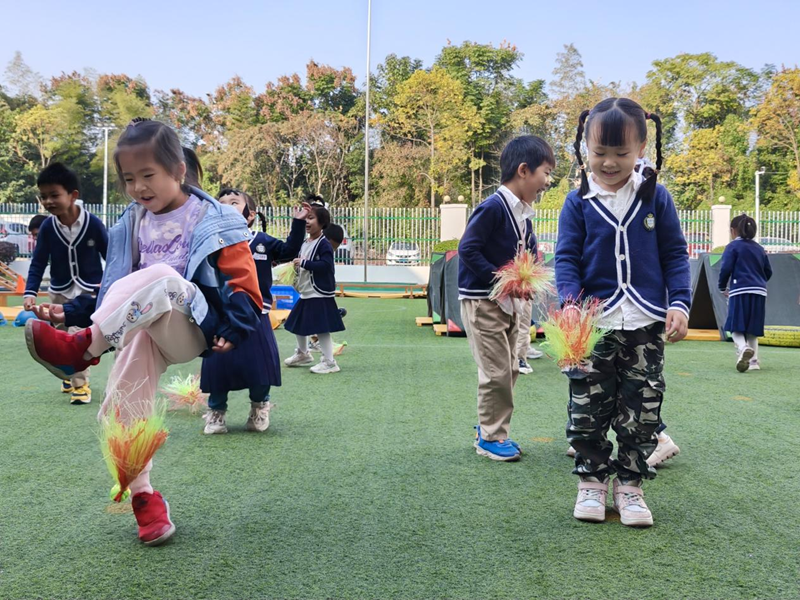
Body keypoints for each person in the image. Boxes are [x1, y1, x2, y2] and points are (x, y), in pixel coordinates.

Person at [24, 118, 262, 546]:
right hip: (140, 324)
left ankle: (83, 349)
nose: (138, 188)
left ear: (178, 171)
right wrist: (70, 312)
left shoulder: (213, 217)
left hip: (189, 323)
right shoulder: (130, 224)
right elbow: (114, 286)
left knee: (164, 276)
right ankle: (145, 499)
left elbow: (244, 283)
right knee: (123, 398)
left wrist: (237, 324)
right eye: (129, 179)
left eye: (148, 175)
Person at [556, 98, 690, 526]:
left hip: (646, 324)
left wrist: (680, 302)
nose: (609, 163)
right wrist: (572, 306)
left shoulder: (657, 198)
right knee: (588, 409)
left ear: (642, 148)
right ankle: (591, 484)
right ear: (584, 148)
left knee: (643, 407)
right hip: (591, 327)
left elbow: (674, 254)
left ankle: (631, 487)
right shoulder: (577, 202)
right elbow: (566, 259)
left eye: (621, 154)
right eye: (599, 154)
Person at [458, 135, 555, 461]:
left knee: (510, 366)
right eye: (546, 172)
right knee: (497, 370)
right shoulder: (492, 208)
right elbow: (467, 249)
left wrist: (529, 278)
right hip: (484, 300)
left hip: (509, 302)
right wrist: (502, 281)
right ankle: (491, 437)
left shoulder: (523, 214)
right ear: (524, 170)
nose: (548, 181)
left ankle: (487, 424)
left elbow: (528, 255)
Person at [201, 189, 309, 434]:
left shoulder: (262, 241)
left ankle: (259, 407)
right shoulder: (209, 242)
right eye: (221, 204)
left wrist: (298, 222)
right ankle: (216, 412)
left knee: (260, 367)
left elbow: (290, 251)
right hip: (220, 316)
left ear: (250, 215)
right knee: (218, 366)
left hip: (257, 315)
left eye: (234, 202)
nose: (227, 206)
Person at [23, 163, 108, 404]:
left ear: (73, 196)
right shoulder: (48, 227)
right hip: (59, 292)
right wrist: (30, 291)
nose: (48, 201)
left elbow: (111, 255)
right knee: (58, 337)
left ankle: (80, 385)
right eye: (43, 196)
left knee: (76, 335)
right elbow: (38, 262)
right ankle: (68, 372)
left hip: (88, 291)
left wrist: (109, 283)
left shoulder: (93, 224)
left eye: (54, 195)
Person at [283, 205, 345, 374]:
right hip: (307, 292)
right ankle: (303, 353)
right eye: (306, 218)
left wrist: (304, 263)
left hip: (319, 293)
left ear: (322, 223)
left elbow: (325, 266)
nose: (307, 221)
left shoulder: (323, 244)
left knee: (321, 328)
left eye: (311, 218)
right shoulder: (305, 243)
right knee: (297, 322)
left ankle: (330, 362)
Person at [718, 214, 772, 372]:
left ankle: (742, 348)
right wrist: (759, 281)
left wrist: (722, 287)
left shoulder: (733, 247)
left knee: (735, 326)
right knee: (752, 329)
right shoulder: (760, 248)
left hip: (740, 289)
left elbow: (726, 268)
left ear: (733, 231)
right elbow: (768, 271)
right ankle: (754, 362)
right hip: (760, 291)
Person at [516, 230, 540, 375]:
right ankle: (512, 358)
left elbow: (534, 256)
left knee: (524, 321)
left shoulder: (528, 228)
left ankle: (520, 357)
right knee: (513, 323)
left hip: (525, 282)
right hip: (507, 283)